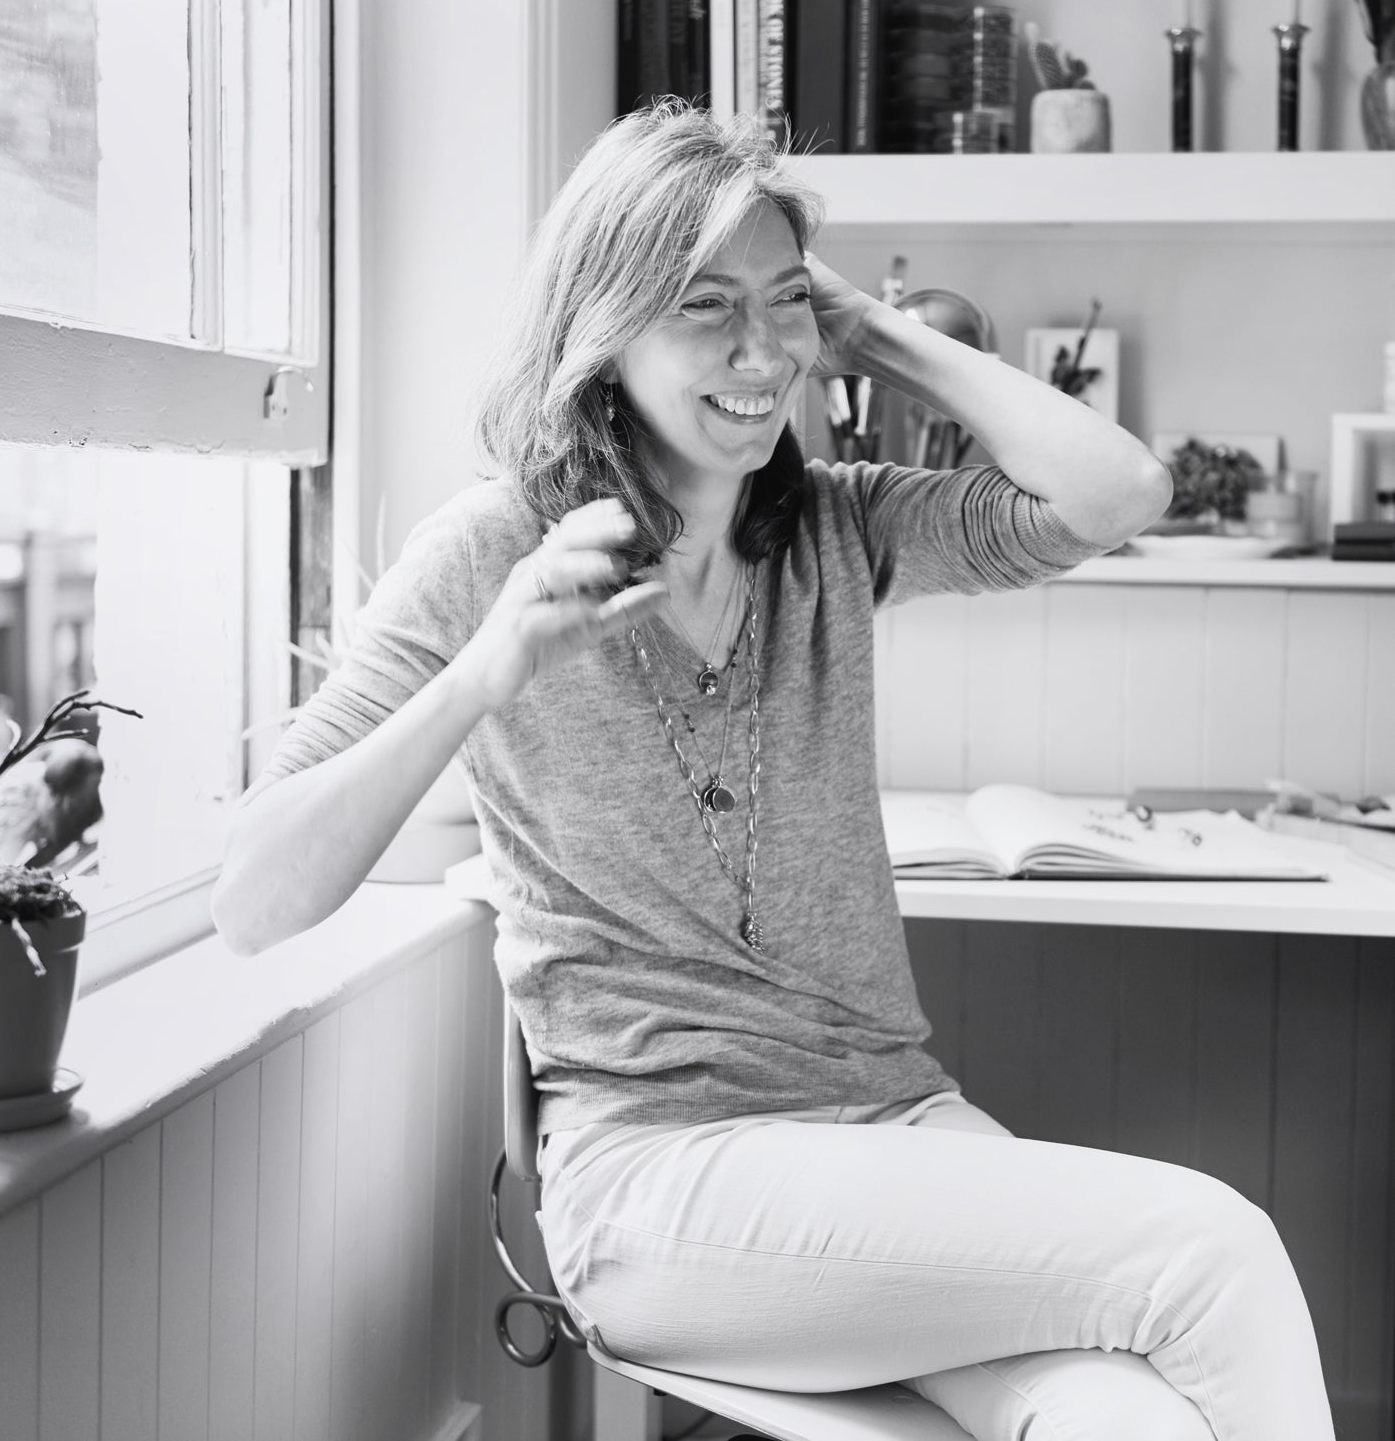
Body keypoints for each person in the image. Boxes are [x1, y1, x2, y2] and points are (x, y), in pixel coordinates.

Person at [211, 101, 1335, 1441]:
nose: (760, 353)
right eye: (703, 305)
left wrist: (863, 330)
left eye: (783, 303)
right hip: (662, 1184)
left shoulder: (833, 531)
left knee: (1119, 1416)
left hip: (895, 1131)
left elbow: (1116, 493)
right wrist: (486, 671)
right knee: (1209, 1253)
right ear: (602, 325)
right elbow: (254, 897)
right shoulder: (493, 550)